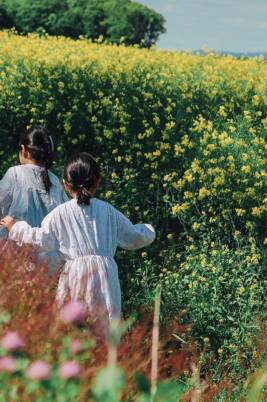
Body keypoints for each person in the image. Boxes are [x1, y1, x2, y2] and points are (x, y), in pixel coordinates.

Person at [1, 152, 155, 323]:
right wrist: (149, 230)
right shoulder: (108, 211)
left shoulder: (60, 213)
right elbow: (133, 236)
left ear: (65, 185)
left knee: (76, 327)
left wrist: (15, 227)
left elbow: (42, 239)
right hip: (105, 277)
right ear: (97, 182)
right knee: (105, 327)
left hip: (76, 275)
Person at [0, 125, 67, 273]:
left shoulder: (15, 174)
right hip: (50, 266)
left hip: (18, 263)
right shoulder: (55, 181)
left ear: (23, 150)